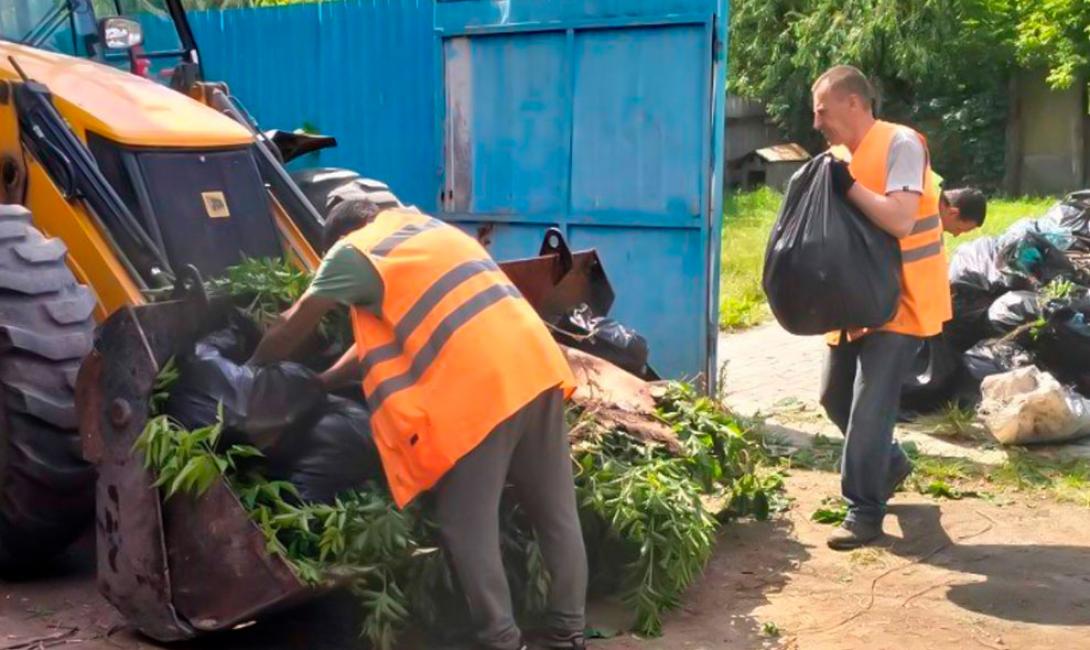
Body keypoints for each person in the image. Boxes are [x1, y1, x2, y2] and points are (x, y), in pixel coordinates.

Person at [250, 199, 589, 650]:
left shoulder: (354, 252)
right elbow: (388, 338)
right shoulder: (429, 230)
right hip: (537, 367)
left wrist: (248, 373)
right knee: (556, 514)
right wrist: (323, 381)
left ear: (339, 236)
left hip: (480, 390)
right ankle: (568, 633)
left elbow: (295, 323)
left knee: (464, 523)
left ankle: (502, 641)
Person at [811, 65, 952, 550]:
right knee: (834, 396)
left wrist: (845, 185)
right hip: (853, 304)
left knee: (870, 407)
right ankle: (889, 464)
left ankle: (863, 512)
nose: (817, 122)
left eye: (822, 111)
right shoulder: (836, 155)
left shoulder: (901, 145)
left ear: (854, 102)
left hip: (902, 299)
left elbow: (898, 218)